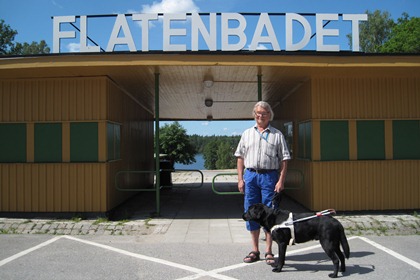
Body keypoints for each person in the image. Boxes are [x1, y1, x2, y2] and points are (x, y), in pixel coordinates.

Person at [234, 101, 291, 265]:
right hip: (250, 176)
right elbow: (240, 157)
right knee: (250, 211)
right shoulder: (246, 133)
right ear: (254, 114)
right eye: (258, 113)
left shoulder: (277, 135)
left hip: (269, 177)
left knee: (270, 214)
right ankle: (254, 250)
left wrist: (281, 180)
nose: (260, 116)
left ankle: (268, 251)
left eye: (264, 113)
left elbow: (285, 159)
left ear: (269, 115)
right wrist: (240, 179)